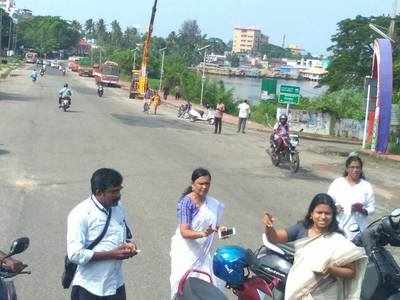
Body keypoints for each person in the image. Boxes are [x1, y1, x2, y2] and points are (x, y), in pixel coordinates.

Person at [262, 193, 367, 300]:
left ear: (333, 215)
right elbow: (274, 238)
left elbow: (351, 272)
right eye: (319, 212)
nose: (323, 217)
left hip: (326, 294)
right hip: (297, 288)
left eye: (327, 213)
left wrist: (330, 269)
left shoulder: (339, 239)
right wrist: (269, 226)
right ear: (311, 214)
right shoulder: (301, 229)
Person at [67, 168, 138, 300]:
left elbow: (126, 234)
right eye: (114, 191)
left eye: (119, 190)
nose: (118, 195)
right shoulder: (80, 214)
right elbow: (74, 254)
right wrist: (112, 254)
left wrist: (129, 245)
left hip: (115, 284)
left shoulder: (118, 207)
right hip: (90, 288)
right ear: (99, 192)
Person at [170, 168, 226, 299]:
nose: (205, 187)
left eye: (207, 184)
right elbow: (184, 232)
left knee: (207, 286)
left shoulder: (211, 203)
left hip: (203, 254)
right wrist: (202, 234)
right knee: (181, 285)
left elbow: (213, 225)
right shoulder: (186, 203)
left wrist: (220, 229)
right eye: (201, 183)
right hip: (185, 252)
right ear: (193, 184)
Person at [328, 155, 375, 240]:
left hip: (358, 231)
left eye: (358, 167)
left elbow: (372, 208)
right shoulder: (338, 183)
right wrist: (334, 207)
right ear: (347, 169)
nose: (355, 170)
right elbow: (327, 202)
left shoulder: (366, 186)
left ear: (361, 169)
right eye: (352, 167)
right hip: (338, 229)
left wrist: (363, 210)